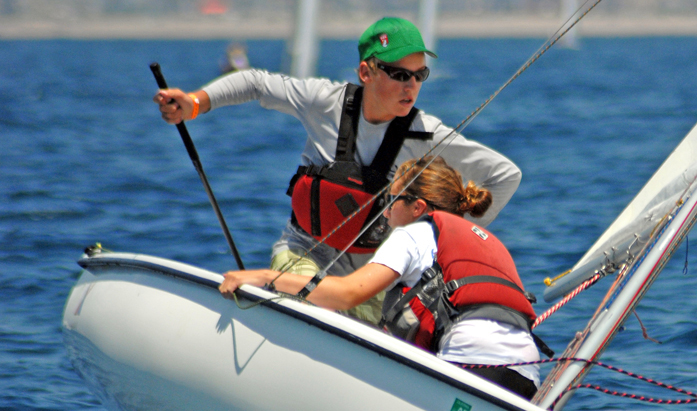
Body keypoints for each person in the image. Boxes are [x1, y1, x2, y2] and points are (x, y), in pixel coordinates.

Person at [155, 16, 522, 324]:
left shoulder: (426, 133)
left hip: (372, 278)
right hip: (303, 254)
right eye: (398, 74)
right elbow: (255, 83)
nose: (411, 85)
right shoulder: (324, 101)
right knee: (302, 303)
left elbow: (505, 175)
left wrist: (442, 235)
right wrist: (195, 104)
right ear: (366, 71)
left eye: (419, 74)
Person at [219, 157, 542, 398]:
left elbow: (347, 293)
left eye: (391, 201)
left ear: (417, 207)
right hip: (528, 376)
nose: (384, 212)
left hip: (469, 365)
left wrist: (263, 277)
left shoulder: (415, 234)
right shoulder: (487, 242)